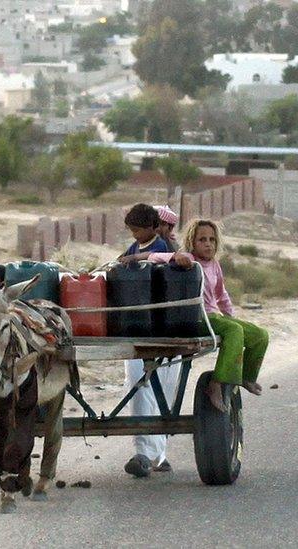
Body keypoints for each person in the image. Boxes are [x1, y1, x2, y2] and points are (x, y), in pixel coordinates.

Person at [145, 219, 268, 412]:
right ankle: (216, 384)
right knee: (234, 331)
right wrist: (175, 257)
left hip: (215, 318)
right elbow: (154, 257)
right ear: (193, 242)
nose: (208, 243)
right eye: (202, 239)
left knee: (260, 335)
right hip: (197, 318)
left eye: (212, 239)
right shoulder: (188, 259)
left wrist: (232, 316)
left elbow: (222, 295)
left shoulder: (215, 265)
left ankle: (246, 376)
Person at [117, 204, 178, 478]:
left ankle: (157, 453)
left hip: (162, 327)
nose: (134, 235)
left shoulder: (164, 247)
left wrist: (136, 260)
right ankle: (146, 452)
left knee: (162, 391)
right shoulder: (135, 246)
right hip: (137, 325)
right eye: (132, 231)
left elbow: (162, 260)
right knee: (140, 388)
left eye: (137, 230)